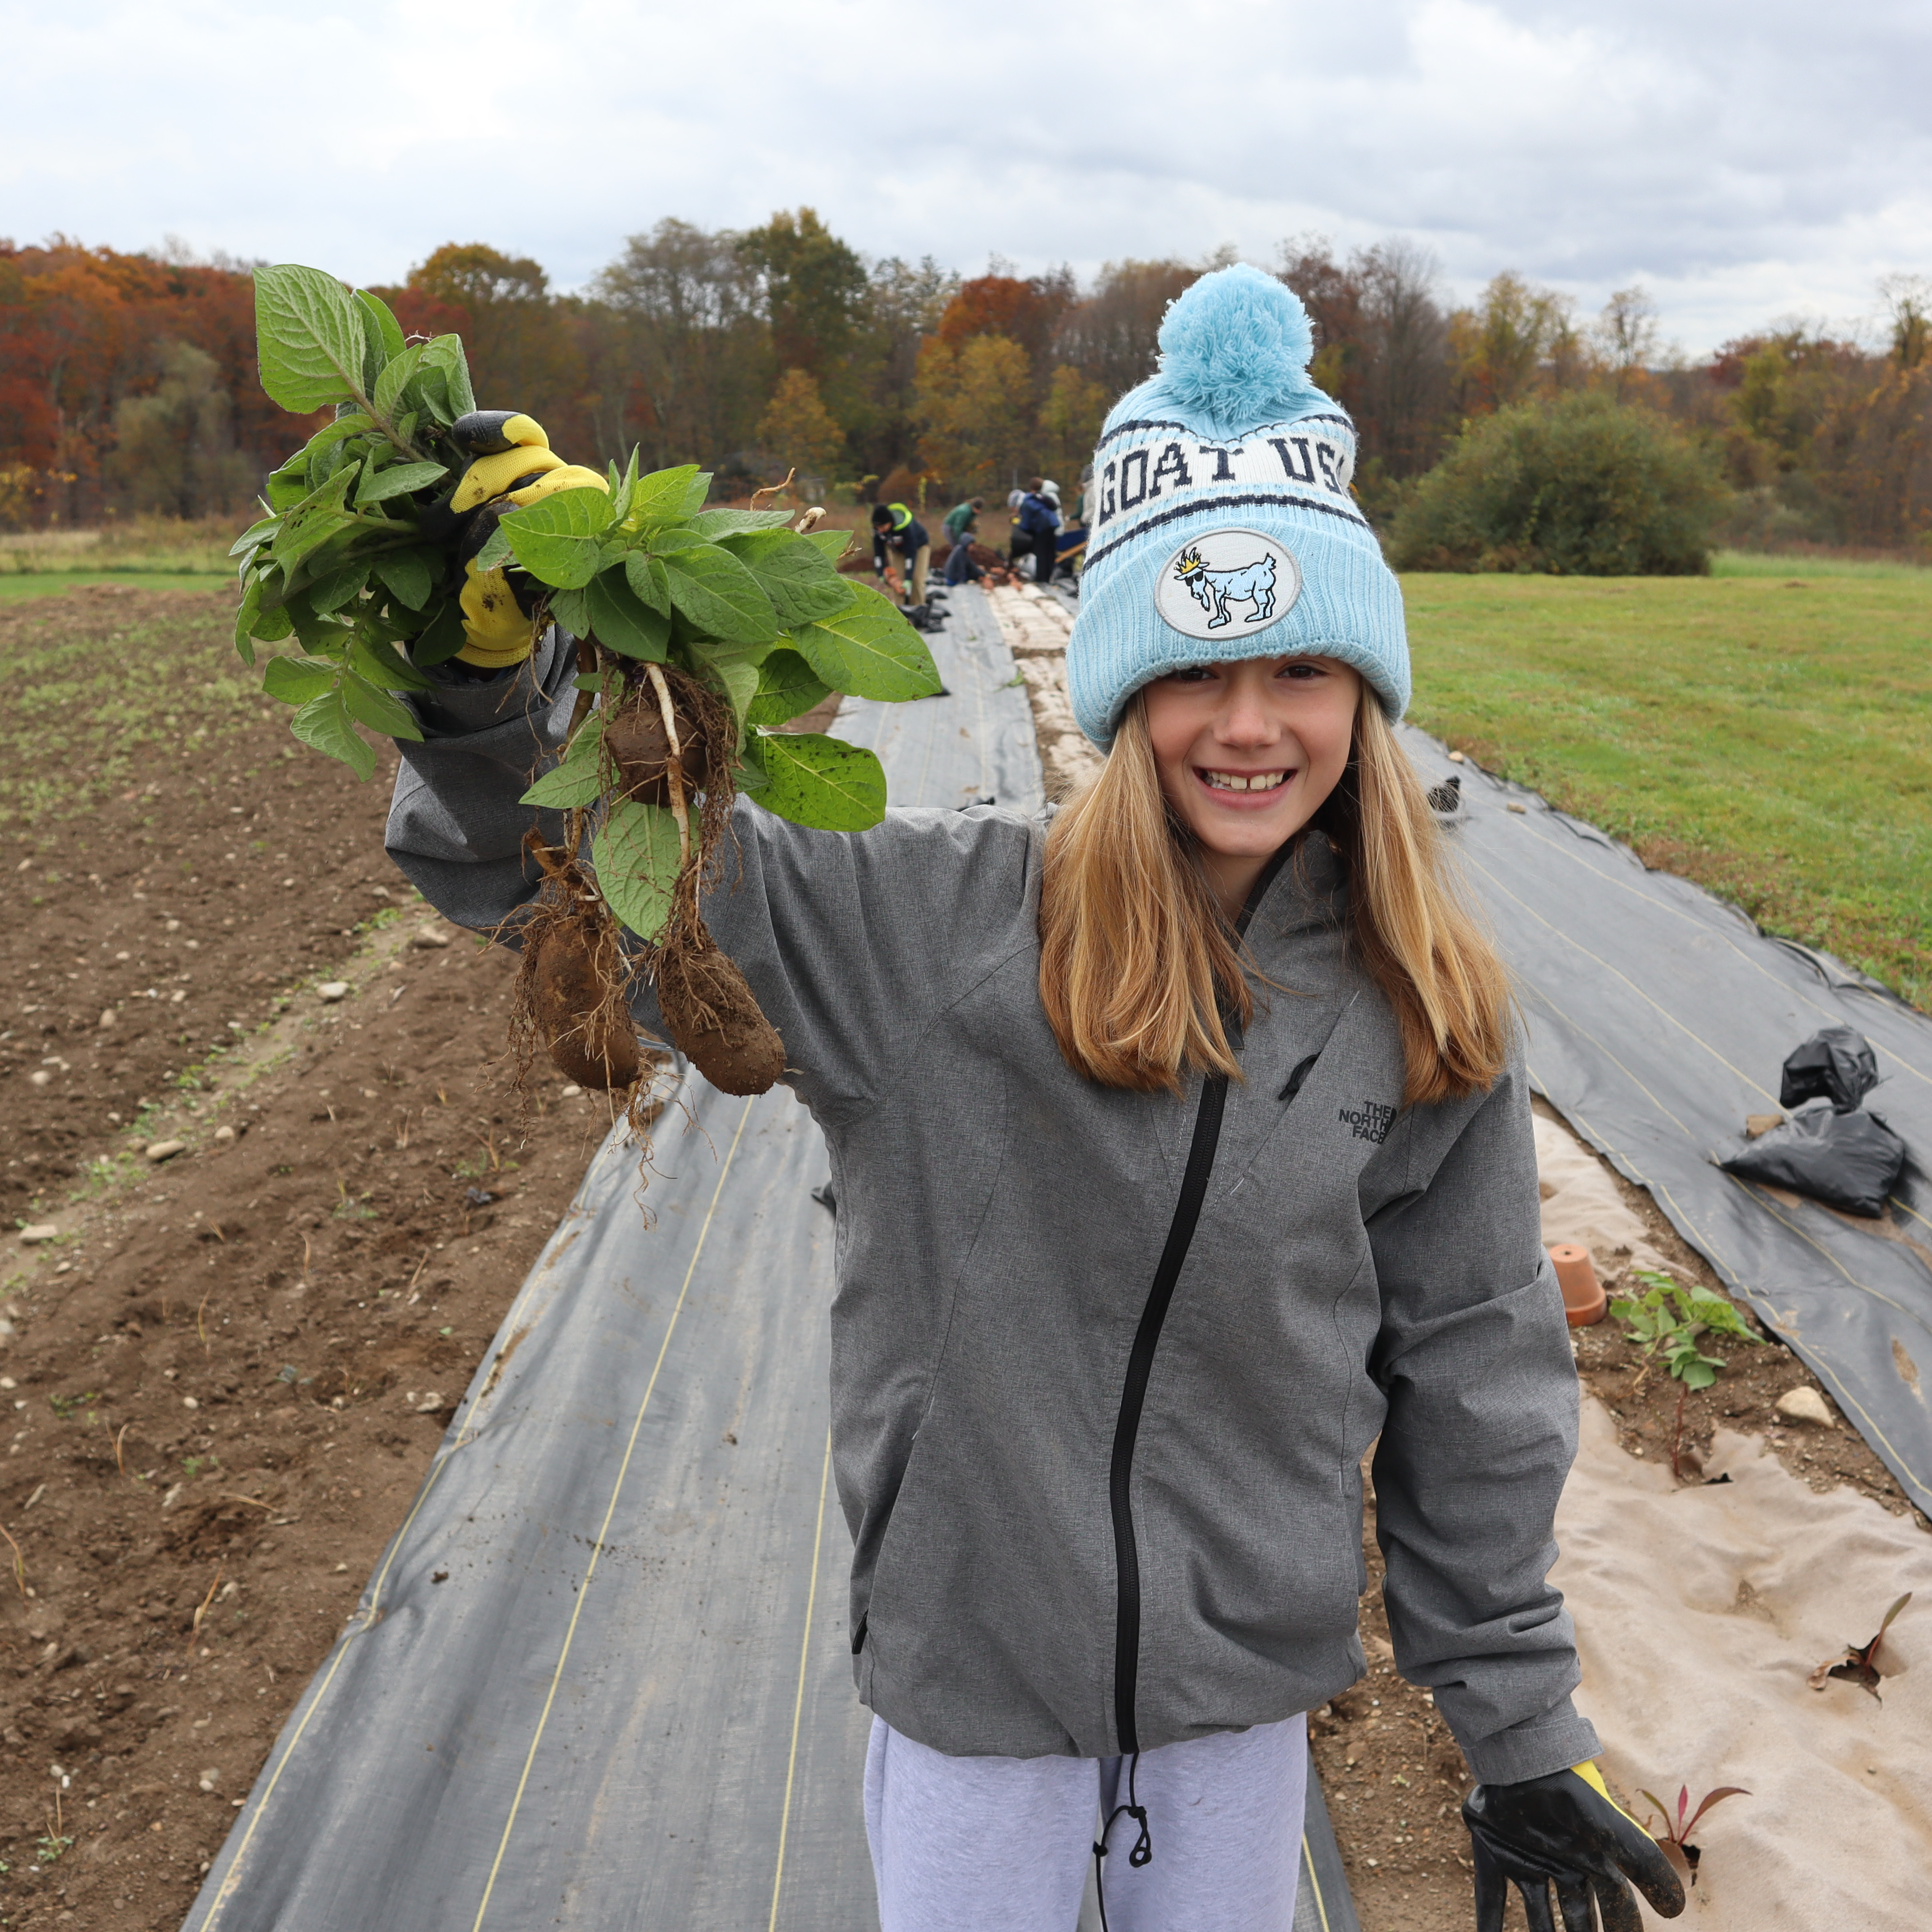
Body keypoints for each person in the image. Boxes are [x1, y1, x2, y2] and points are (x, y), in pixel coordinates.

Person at [384, 266, 1684, 1932]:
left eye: (1302, 670)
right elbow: (572, 879)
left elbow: (1477, 1364)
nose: (1248, 725)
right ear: (1123, 688)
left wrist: (1520, 1730)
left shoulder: (1424, 1011)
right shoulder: (935, 940)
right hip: (972, 1723)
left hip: (1236, 1724)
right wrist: (479, 690)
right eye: (1196, 672)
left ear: (1366, 693)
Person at [871, 501, 930, 608]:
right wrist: (880, 573)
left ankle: (918, 608)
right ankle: (900, 610)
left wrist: (908, 578)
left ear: (890, 522)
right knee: (897, 579)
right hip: (896, 549)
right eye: (878, 527)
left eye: (883, 527)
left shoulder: (906, 527)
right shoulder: (878, 531)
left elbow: (911, 554)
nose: (881, 530)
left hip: (919, 548)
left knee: (917, 579)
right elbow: (879, 553)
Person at [1015, 476, 1061, 584]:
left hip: (1040, 530)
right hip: (1052, 526)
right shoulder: (1045, 498)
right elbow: (1054, 508)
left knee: (1040, 554)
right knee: (1050, 553)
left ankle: (1041, 579)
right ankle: (1049, 578)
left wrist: (1022, 529)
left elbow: (1026, 522)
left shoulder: (1027, 500)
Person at [942, 495, 984, 586]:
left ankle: (967, 570)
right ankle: (955, 572)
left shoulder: (972, 512)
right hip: (950, 528)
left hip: (959, 529)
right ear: (974, 507)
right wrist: (962, 542)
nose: (980, 512)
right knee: (958, 550)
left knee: (963, 551)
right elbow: (958, 528)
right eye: (978, 509)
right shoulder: (964, 512)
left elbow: (970, 524)